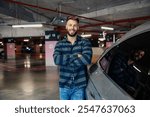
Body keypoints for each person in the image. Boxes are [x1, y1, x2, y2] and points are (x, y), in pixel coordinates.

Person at [53, 16, 92, 100]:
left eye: (75, 25)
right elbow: (56, 60)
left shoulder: (84, 42)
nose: (72, 27)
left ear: (78, 27)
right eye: (70, 25)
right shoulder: (60, 44)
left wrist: (65, 60)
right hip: (64, 85)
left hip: (79, 86)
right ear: (66, 27)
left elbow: (87, 59)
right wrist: (76, 56)